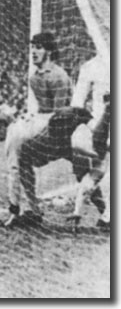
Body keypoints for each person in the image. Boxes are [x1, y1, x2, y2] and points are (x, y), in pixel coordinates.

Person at [0, 32, 84, 227]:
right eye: (32, 47)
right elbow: (43, 110)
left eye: (39, 47)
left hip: (63, 130)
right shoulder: (34, 78)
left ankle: (106, 215)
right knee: (23, 161)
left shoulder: (58, 76)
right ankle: (34, 210)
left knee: (85, 168)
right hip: (47, 129)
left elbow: (60, 114)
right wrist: (32, 117)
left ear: (49, 52)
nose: (33, 51)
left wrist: (31, 122)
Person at [68, 53, 110, 230]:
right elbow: (76, 104)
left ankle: (107, 217)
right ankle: (105, 214)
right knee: (91, 173)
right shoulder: (91, 66)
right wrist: (91, 125)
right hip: (100, 129)